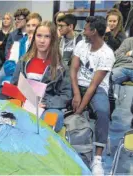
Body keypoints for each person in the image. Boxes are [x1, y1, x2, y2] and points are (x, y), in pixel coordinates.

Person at [5, 21, 71, 133]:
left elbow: (66, 95)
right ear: (34, 37)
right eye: (39, 35)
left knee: (53, 117)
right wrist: (22, 100)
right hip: (24, 102)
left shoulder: (60, 66)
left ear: (53, 40)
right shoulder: (24, 61)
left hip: (47, 106)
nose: (42, 40)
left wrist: (46, 103)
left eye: (47, 37)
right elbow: (14, 85)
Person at [70, 16, 115, 175]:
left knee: (103, 112)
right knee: (57, 100)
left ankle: (97, 159)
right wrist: (76, 93)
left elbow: (94, 86)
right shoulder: (82, 44)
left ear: (94, 31)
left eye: (86, 29)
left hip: (96, 89)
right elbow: (73, 69)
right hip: (78, 84)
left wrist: (79, 110)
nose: (83, 31)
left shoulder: (107, 54)